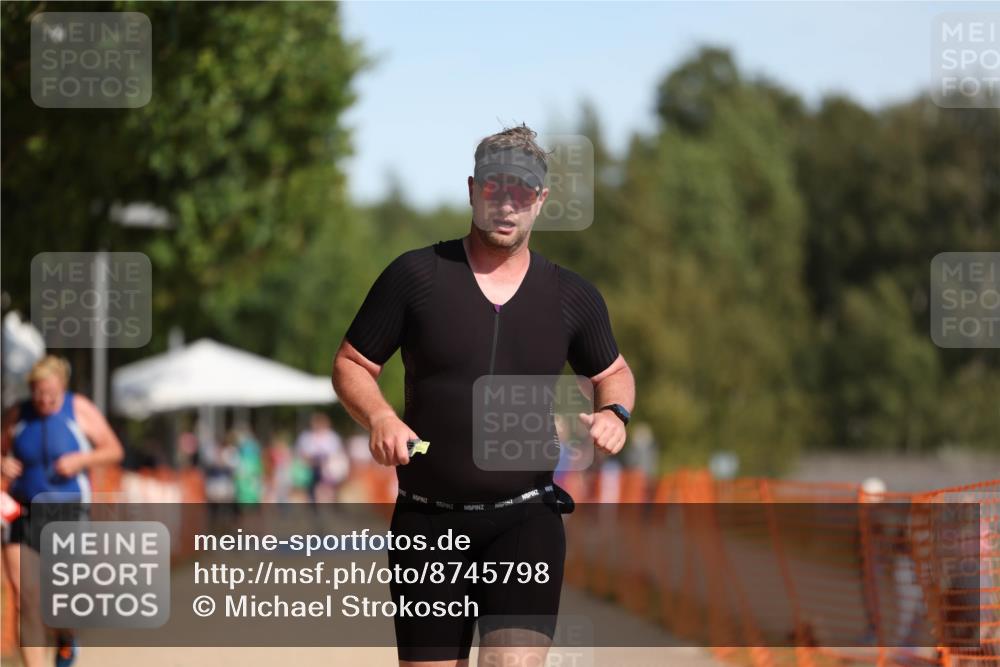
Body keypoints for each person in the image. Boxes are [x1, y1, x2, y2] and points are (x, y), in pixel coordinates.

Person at [332, 124, 635, 666]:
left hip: (525, 520)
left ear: (541, 201)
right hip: (428, 522)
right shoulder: (415, 276)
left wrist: (615, 411)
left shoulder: (572, 296)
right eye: (495, 188)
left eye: (521, 192)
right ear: (472, 189)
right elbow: (352, 363)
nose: (506, 204)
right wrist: (379, 416)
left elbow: (614, 371)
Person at [0, 355, 125, 667]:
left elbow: (114, 449)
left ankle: (67, 637)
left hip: (67, 510)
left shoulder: (78, 408)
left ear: (62, 388)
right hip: (22, 509)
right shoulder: (19, 413)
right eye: (39, 393)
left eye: (51, 394)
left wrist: (80, 461)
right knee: (25, 596)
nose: (44, 400)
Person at [294, 412, 347, 504]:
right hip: (311, 467)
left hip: (328, 468)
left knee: (328, 489)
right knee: (312, 489)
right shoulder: (306, 436)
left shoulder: (332, 436)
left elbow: (336, 452)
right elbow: (301, 452)